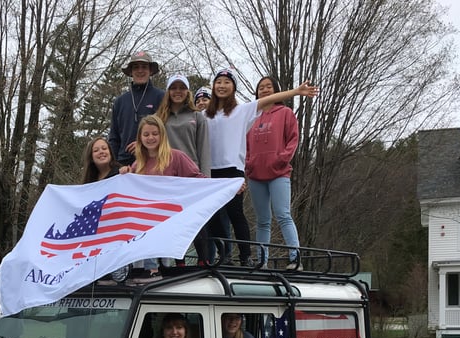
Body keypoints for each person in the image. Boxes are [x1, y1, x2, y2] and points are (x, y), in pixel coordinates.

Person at [204, 68, 317, 267]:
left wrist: (296, 92)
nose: (222, 85)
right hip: (245, 173)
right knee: (253, 219)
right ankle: (257, 261)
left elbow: (293, 139)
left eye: (227, 82)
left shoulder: (247, 111)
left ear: (234, 87)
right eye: (218, 82)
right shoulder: (207, 114)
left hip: (270, 172)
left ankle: (290, 258)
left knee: (279, 214)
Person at [125, 115, 205, 281]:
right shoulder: (136, 165)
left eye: (155, 133)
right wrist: (123, 176)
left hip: (170, 216)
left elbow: (197, 179)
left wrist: (228, 185)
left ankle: (152, 268)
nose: (150, 138)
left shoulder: (176, 157)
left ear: (162, 135)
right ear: (140, 138)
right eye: (146, 134)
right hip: (145, 219)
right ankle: (136, 266)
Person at [246, 76, 302, 269]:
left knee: (283, 214)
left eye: (269, 87)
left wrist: (281, 159)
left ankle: (295, 258)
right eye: (261, 87)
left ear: (276, 90)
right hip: (255, 175)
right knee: (263, 220)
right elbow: (242, 144)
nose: (265, 90)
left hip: (279, 173)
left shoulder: (286, 113)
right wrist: (248, 163)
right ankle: (262, 261)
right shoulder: (252, 117)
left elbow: (293, 140)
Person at [157, 74, 212, 265]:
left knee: (196, 220)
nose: (178, 91)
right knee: (173, 220)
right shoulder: (160, 117)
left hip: (192, 176)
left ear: (187, 91)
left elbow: (204, 149)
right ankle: (177, 262)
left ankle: (203, 261)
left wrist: (206, 179)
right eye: (174, 88)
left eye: (182, 88)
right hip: (168, 176)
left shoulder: (197, 116)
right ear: (168, 91)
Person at [108, 51, 165, 166]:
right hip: (124, 164)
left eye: (144, 67)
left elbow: (167, 131)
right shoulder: (120, 101)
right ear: (131, 72)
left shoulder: (161, 97)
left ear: (150, 71)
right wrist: (112, 165)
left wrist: (142, 144)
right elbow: (114, 137)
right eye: (136, 67)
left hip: (153, 161)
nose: (140, 71)